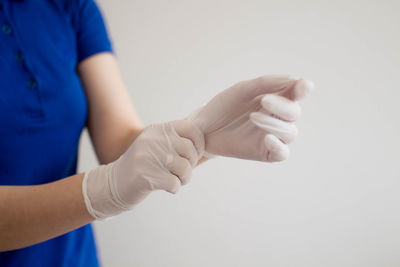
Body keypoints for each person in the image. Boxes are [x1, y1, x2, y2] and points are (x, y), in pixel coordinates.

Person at [0, 0, 314, 266]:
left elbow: (121, 146)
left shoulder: (71, 6)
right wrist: (102, 190)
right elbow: (118, 173)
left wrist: (202, 135)